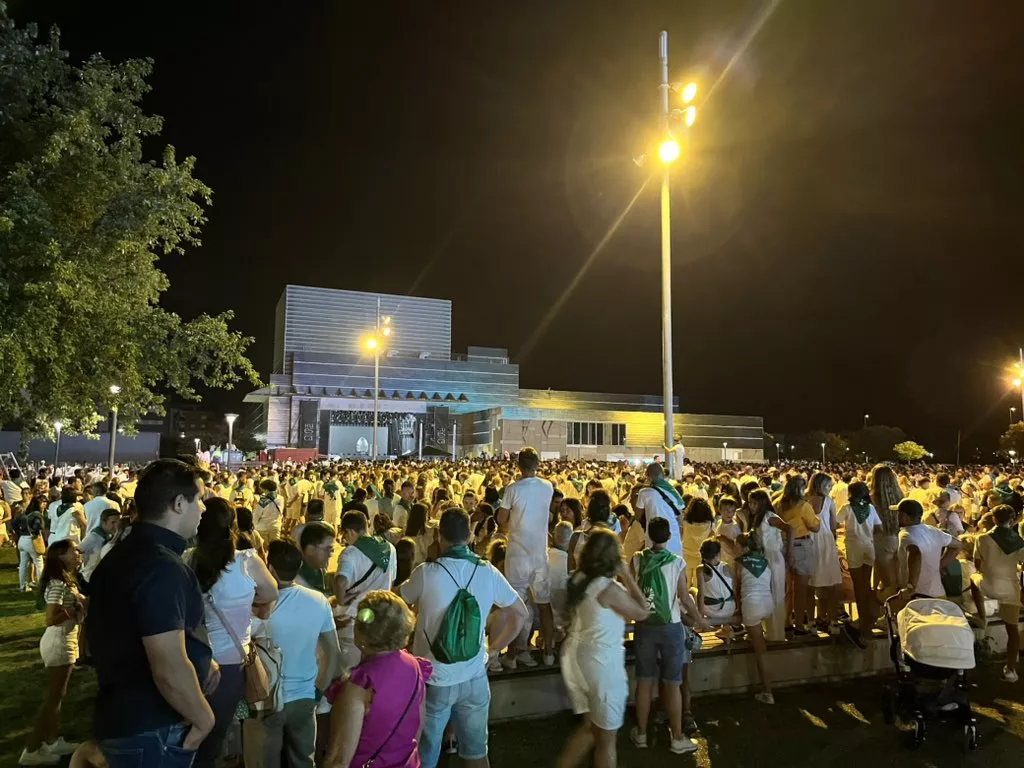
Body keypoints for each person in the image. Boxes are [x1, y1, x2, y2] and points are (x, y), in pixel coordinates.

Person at [86, 458, 216, 766]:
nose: (204, 509)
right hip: (153, 726)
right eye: (199, 500)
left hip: (127, 718)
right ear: (179, 504)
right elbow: (167, 664)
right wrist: (203, 719)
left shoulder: (124, 554)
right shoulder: (161, 566)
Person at [400, 508, 528, 768]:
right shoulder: (488, 571)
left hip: (435, 678)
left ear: (438, 535)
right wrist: (494, 649)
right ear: (470, 535)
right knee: (476, 752)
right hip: (474, 675)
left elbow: (397, 604)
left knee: (424, 755)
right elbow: (520, 613)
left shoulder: (426, 572)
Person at [185, 497, 278, 768]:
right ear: (233, 527)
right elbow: (271, 592)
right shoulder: (247, 562)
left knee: (188, 733)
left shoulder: (187, 561)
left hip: (190, 661)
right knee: (213, 739)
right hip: (230, 666)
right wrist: (246, 602)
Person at [557, 530, 649, 768]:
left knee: (590, 727)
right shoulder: (607, 589)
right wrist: (628, 576)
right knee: (607, 739)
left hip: (575, 658)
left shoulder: (577, 579)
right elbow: (643, 612)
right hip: (601, 664)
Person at [323, 591, 432, 768]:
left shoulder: (359, 687)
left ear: (362, 635)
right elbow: (418, 727)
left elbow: (338, 761)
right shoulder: (415, 666)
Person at [263, 539, 343, 768]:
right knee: (304, 761)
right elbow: (333, 652)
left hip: (267, 701)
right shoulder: (318, 601)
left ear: (270, 569)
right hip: (305, 698)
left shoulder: (259, 605)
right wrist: (318, 692)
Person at [629, 517, 706, 755]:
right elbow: (683, 597)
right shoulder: (676, 562)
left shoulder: (637, 559)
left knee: (644, 681)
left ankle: (641, 733)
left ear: (649, 535)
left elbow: (632, 590)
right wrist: (699, 619)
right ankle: (678, 737)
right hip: (671, 627)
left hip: (644, 626)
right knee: (673, 684)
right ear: (670, 536)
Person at [20, 540, 85, 766]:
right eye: (74, 550)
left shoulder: (67, 580)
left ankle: (52, 740)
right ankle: (31, 748)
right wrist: (72, 610)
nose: (79, 553)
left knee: (58, 695)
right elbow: (50, 618)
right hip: (59, 641)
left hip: (66, 639)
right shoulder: (58, 583)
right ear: (61, 556)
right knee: (53, 697)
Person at [496, 447, 555, 668]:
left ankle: (511, 655)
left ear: (518, 465)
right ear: (538, 464)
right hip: (540, 554)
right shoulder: (548, 486)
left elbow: (502, 519)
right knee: (544, 604)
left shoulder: (512, 489)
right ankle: (549, 652)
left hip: (517, 555)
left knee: (516, 605)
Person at [334, 510, 398, 673]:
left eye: (345, 535)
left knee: (349, 673)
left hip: (353, 623)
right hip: (381, 619)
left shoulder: (350, 553)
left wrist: (341, 600)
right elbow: (392, 579)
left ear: (350, 531)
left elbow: (341, 581)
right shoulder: (389, 548)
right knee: (375, 672)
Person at [972, 504, 1024, 682]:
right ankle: (1010, 669)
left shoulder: (982, 538)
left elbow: (977, 565)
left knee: (973, 578)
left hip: (988, 586)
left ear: (993, 519)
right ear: (1011, 520)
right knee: (1013, 630)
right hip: (1010, 589)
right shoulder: (1017, 541)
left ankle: (982, 616)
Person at [891, 498, 965, 610]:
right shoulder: (933, 531)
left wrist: (911, 587)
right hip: (938, 594)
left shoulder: (906, 534)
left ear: (905, 517)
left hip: (917, 598)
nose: (895, 517)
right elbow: (958, 545)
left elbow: (915, 554)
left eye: (898, 514)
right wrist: (939, 565)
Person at [836, 481, 882, 648]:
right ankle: (866, 621)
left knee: (858, 585)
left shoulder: (847, 509)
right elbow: (879, 529)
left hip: (854, 548)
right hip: (869, 548)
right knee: (866, 583)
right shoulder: (871, 508)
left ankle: (863, 621)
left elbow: (834, 523)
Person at [733, 533, 776, 704]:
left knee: (761, 652)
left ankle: (768, 691)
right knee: (759, 640)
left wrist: (738, 611)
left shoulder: (738, 563)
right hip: (768, 603)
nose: (735, 549)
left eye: (737, 545)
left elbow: (737, 590)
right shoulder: (766, 561)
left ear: (745, 548)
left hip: (752, 606)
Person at [775, 475, 820, 634]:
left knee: (787, 588)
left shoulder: (778, 504)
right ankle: (799, 625)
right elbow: (815, 526)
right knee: (801, 589)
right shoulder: (803, 506)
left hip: (783, 546)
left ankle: (786, 621)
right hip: (801, 546)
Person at [747, 489, 791, 642]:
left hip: (773, 558)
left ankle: (777, 633)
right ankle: (769, 630)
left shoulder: (770, 517)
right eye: (750, 503)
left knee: (776, 594)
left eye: (754, 503)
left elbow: (789, 528)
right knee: (766, 593)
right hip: (763, 558)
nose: (751, 506)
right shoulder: (757, 518)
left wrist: (789, 554)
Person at [806, 472, 843, 630]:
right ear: (819, 485)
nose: (830, 488)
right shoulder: (828, 501)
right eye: (828, 485)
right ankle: (833, 619)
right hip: (826, 542)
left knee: (810, 584)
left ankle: (812, 621)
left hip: (808, 541)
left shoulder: (804, 500)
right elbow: (833, 525)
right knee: (830, 584)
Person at [869, 464, 904, 595]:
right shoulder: (900, 496)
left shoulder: (871, 498)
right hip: (899, 536)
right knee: (899, 577)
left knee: (888, 581)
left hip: (881, 539)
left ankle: (888, 609)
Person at [634, 463, 683, 556]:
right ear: (663, 475)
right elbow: (680, 519)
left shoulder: (644, 492)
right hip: (672, 538)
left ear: (648, 476)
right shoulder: (674, 492)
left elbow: (637, 516)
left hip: (653, 539)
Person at [78, 508, 120, 588]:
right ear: (103, 522)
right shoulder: (93, 537)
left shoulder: (109, 536)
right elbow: (79, 550)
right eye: (113, 522)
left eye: (118, 523)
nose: (116, 526)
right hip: (89, 578)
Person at [14, 495, 46, 592]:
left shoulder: (24, 513)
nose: (45, 505)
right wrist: (37, 532)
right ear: (38, 504)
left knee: (23, 564)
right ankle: (42, 588)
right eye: (43, 502)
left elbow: (13, 524)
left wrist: (19, 533)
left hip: (22, 540)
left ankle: (23, 587)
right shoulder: (37, 514)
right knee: (39, 563)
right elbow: (40, 527)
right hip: (32, 540)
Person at [681, 498, 714, 589]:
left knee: (685, 584)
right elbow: (712, 539)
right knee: (698, 585)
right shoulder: (709, 524)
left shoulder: (685, 523)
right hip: (700, 558)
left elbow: (681, 536)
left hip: (686, 556)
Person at [296, 521, 337, 595]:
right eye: (327, 549)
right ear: (310, 549)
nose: (330, 554)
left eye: (331, 550)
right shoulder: (297, 578)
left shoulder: (318, 568)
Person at [253, 478, 284, 543]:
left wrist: (254, 526)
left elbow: (256, 515)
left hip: (263, 528)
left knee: (264, 549)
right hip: (276, 526)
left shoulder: (262, 501)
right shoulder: (281, 498)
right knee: (275, 547)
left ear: (266, 489)